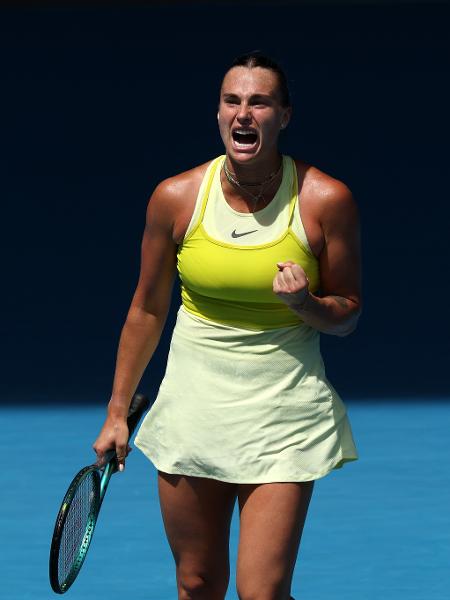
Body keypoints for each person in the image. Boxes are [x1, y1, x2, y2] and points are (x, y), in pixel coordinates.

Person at [93, 52, 361, 600]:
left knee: (262, 591)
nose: (244, 114)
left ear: (283, 117)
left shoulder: (325, 200)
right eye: (231, 101)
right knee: (197, 584)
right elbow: (146, 309)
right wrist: (117, 414)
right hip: (194, 410)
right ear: (218, 114)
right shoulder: (176, 198)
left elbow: (348, 313)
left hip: (284, 414)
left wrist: (307, 305)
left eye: (259, 102)